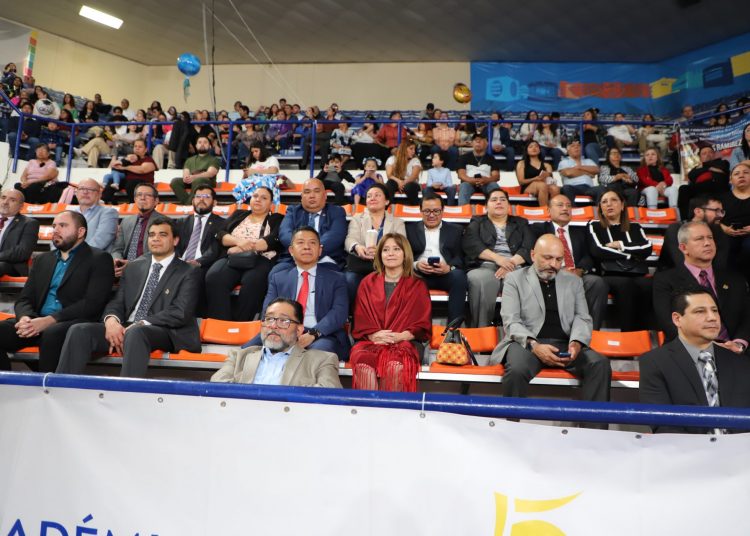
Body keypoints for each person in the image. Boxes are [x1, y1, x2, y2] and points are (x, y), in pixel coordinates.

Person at [56, 217, 201, 378]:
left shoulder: (188, 271)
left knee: (136, 333)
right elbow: (118, 301)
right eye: (152, 235)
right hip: (128, 327)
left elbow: (180, 312)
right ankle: (61, 386)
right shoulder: (134, 266)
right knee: (79, 330)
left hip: (165, 331)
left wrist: (142, 323)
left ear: (175, 240)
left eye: (162, 234)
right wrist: (111, 321)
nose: (155, 239)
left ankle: (126, 390)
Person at [490, 234, 611, 403]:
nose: (553, 265)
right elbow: (511, 322)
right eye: (547, 258)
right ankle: (513, 419)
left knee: (600, 364)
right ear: (533, 255)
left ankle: (593, 421)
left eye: (559, 259)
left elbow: (582, 317)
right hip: (526, 344)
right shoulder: (514, 279)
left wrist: (576, 343)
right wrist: (535, 346)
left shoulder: (574, 281)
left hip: (565, 344)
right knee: (517, 369)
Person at [0, 211, 114, 371]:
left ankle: (48, 384)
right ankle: (6, 382)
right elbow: (25, 299)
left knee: (52, 333)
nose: (56, 230)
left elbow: (92, 303)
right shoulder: (43, 259)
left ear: (80, 232)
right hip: (35, 321)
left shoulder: (99, 258)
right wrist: (26, 318)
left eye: (63, 225)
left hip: (69, 322)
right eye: (54, 226)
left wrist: (49, 321)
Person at [639, 289, 750, 434]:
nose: (712, 318)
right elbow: (660, 422)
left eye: (715, 310)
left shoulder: (740, 363)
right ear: (677, 319)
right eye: (700, 311)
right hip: (685, 446)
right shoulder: (655, 362)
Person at [350, 233, 431, 392]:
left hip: (406, 342)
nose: (391, 253)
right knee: (363, 363)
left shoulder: (417, 285)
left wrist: (400, 336)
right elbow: (360, 319)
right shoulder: (367, 283)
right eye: (386, 250)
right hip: (371, 342)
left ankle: (391, 407)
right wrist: (373, 335)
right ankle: (369, 406)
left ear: (405, 254)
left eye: (396, 249)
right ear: (380, 255)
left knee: (394, 365)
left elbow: (422, 325)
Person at [653, 221, 750, 351]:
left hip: (734, 350)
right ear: (683, 248)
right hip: (686, 351)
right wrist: (706, 346)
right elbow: (668, 323)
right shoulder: (665, 280)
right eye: (699, 239)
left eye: (710, 238)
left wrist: (739, 344)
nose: (707, 243)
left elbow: (747, 317)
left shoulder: (734, 279)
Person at [257, 226, 350, 361]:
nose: (306, 247)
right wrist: (285, 332)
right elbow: (268, 311)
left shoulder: (336, 279)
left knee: (316, 356)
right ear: (291, 250)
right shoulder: (278, 278)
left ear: (320, 250)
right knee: (247, 352)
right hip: (282, 331)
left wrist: (313, 333)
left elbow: (339, 312)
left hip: (322, 335)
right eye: (300, 242)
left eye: (312, 243)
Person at [210, 298, 342, 387]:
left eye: (283, 321)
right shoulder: (238, 357)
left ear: (299, 330)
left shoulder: (322, 361)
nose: (273, 326)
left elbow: (330, 396)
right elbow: (216, 388)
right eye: (269, 319)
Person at [205, 186, 284, 321]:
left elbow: (272, 241)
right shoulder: (239, 214)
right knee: (214, 276)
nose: (258, 199)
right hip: (232, 257)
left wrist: (240, 248)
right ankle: (220, 323)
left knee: (254, 282)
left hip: (260, 259)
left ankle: (241, 324)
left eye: (264, 198)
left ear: (271, 203)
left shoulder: (277, 218)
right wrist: (239, 242)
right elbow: (220, 233)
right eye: (255, 196)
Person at [532, 195, 608, 330]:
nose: (565, 209)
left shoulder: (581, 232)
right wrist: (557, 269)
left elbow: (588, 256)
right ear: (548, 210)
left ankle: (591, 332)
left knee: (597, 282)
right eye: (560, 205)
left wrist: (580, 270)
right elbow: (535, 255)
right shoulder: (538, 229)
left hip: (576, 275)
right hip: (550, 274)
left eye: (568, 206)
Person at [463, 188, 534, 327]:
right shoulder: (477, 222)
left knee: (523, 280)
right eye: (494, 200)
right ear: (486, 206)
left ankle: (521, 332)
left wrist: (510, 263)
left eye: (503, 199)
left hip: (516, 266)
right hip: (485, 266)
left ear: (508, 205)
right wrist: (499, 259)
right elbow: (472, 244)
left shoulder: (521, 223)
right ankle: (481, 331)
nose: (499, 202)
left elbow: (529, 246)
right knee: (480, 280)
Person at [588, 189, 652, 331]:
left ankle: (645, 334)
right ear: (600, 208)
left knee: (649, 284)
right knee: (625, 284)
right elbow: (598, 250)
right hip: (610, 274)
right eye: (604, 202)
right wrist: (631, 254)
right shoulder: (594, 225)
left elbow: (647, 249)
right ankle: (628, 334)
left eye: (614, 200)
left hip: (636, 272)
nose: (609, 204)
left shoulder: (635, 227)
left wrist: (620, 245)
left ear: (622, 205)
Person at [406, 194, 468, 324]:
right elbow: (404, 255)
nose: (431, 215)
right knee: (406, 278)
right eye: (427, 211)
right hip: (419, 274)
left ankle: (453, 328)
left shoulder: (456, 230)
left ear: (443, 210)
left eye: (436, 211)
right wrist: (416, 264)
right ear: (420, 211)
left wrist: (449, 268)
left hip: (445, 274)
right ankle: (416, 329)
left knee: (459, 277)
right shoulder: (409, 229)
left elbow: (460, 258)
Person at [344, 183, 406, 303]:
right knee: (350, 280)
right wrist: (358, 247)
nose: (372, 198)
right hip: (361, 265)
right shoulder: (357, 218)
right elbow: (350, 239)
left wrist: (382, 251)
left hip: (387, 266)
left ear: (387, 201)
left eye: (377, 195)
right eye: (369, 196)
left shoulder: (397, 222)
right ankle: (353, 313)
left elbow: (402, 245)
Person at [277, 178, 347, 270]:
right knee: (276, 273)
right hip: (293, 259)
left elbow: (335, 235)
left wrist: (311, 251)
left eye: (316, 191)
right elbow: (285, 233)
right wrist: (300, 250)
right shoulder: (293, 211)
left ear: (325, 195)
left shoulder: (337, 211)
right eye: (307, 192)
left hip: (326, 257)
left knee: (327, 276)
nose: (312, 196)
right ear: (301, 197)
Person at [657, 195, 728, 272]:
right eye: (716, 211)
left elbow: (720, 265)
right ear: (698, 211)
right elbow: (680, 263)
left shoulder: (718, 231)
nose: (720, 216)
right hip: (674, 276)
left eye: (722, 212)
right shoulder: (676, 229)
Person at [110, 183, 166, 277]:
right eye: (139, 195)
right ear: (135, 199)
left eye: (148, 195)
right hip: (123, 270)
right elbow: (117, 249)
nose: (142, 198)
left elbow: (160, 252)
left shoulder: (164, 222)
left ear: (156, 201)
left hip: (148, 270)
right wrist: (117, 261)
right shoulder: (126, 221)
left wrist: (132, 265)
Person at [677, 146, 730, 219]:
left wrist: (704, 166)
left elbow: (722, 169)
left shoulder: (722, 162)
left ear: (714, 154)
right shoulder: (696, 168)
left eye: (710, 152)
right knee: (683, 188)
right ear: (700, 157)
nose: (708, 154)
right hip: (699, 190)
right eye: (704, 153)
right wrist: (710, 168)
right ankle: (685, 219)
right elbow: (691, 175)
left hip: (716, 187)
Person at [718, 163, 750, 279]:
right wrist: (724, 228)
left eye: (746, 173)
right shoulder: (722, 198)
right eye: (737, 174)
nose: (741, 176)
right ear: (730, 180)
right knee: (726, 248)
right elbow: (714, 218)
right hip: (728, 234)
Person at [100, 139, 157, 204]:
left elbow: (142, 170)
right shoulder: (130, 158)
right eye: (135, 146)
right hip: (128, 182)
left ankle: (134, 204)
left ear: (146, 149)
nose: (137, 148)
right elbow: (114, 166)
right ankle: (104, 201)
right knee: (112, 181)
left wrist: (125, 167)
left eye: (140, 147)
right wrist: (125, 160)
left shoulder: (148, 159)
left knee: (131, 183)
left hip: (144, 183)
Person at [0, 189, 40, 277]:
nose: (5, 202)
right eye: (3, 198)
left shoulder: (29, 223)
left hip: (12, 266)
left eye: (12, 200)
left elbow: (22, 252)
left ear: (21, 206)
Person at [169, 136, 220, 205]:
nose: (202, 144)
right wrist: (186, 178)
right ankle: (188, 202)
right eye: (200, 142)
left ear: (210, 146)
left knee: (198, 180)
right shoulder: (190, 160)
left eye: (205, 142)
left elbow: (210, 173)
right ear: (196, 146)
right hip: (192, 181)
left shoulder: (214, 159)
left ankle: (189, 204)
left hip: (207, 182)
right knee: (175, 181)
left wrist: (194, 177)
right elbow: (186, 173)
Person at [72, 179, 118, 251]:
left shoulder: (108, 213)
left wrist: (73, 254)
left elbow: (100, 241)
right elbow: (59, 238)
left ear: (99, 194)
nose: (85, 192)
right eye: (82, 189)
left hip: (93, 256)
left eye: (91, 189)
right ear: (76, 193)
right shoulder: (69, 214)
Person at [456, 133, 500, 206]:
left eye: (481, 140)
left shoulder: (491, 158)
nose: (478, 142)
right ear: (472, 143)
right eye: (475, 140)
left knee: (494, 185)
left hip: (486, 183)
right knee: (464, 186)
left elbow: (496, 176)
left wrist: (486, 180)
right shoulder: (463, 157)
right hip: (469, 182)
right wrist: (472, 180)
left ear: (486, 143)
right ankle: (463, 210)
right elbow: (461, 175)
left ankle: (496, 209)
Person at [557, 140, 603, 204]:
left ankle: (599, 210)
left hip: (588, 188)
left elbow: (597, 170)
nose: (576, 147)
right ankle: (573, 209)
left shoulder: (588, 161)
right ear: (568, 150)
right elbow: (569, 173)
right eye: (573, 146)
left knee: (601, 188)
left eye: (578, 146)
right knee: (566, 188)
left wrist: (580, 167)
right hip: (573, 188)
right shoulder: (564, 162)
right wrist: (587, 173)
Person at [515, 140, 559, 207]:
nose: (534, 148)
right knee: (542, 185)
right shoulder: (521, 163)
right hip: (527, 186)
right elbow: (521, 181)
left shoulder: (547, 165)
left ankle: (554, 209)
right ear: (526, 151)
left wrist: (548, 175)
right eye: (531, 147)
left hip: (545, 184)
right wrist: (535, 178)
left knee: (555, 188)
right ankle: (545, 210)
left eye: (536, 146)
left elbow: (550, 180)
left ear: (540, 150)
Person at [385, 139, 422, 205]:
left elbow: (413, 176)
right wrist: (399, 182)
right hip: (397, 181)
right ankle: (388, 206)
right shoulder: (392, 159)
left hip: (411, 183)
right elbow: (389, 175)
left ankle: (415, 206)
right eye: (411, 149)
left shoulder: (415, 160)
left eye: (414, 149)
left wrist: (403, 183)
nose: (414, 151)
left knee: (409, 186)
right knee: (390, 183)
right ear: (404, 149)